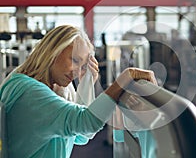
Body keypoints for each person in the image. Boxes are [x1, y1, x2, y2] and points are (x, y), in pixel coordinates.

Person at [0, 25, 157, 158]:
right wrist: (124, 80)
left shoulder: (47, 87)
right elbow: (87, 122)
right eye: (74, 60)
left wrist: (86, 82)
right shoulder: (30, 93)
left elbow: (81, 137)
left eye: (82, 65)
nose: (76, 72)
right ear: (53, 52)